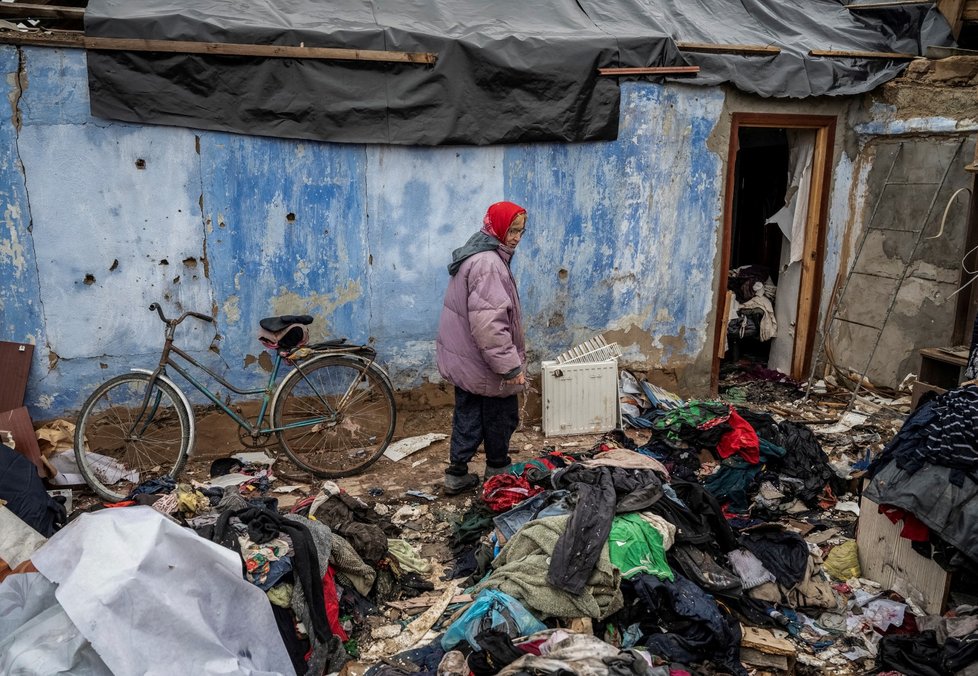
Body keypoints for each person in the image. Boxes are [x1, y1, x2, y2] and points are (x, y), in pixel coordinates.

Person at [436, 201, 528, 495]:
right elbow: (490, 324)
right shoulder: (489, 264)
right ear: (497, 227)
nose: (515, 237)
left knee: (468, 415)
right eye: (512, 230)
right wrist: (510, 366)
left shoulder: (475, 255)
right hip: (486, 362)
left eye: (520, 232)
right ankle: (497, 473)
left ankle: (457, 474)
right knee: (500, 416)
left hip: (468, 360)